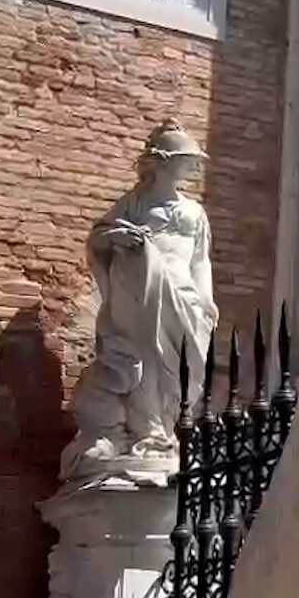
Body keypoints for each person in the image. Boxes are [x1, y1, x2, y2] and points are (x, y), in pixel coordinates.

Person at [60, 122, 217, 484]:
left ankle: (168, 429)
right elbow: (99, 237)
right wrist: (121, 236)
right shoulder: (135, 202)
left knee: (186, 365)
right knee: (145, 357)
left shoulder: (195, 212)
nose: (193, 168)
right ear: (163, 163)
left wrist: (206, 299)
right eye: (187, 160)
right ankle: (149, 433)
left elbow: (200, 260)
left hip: (184, 295)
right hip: (143, 291)